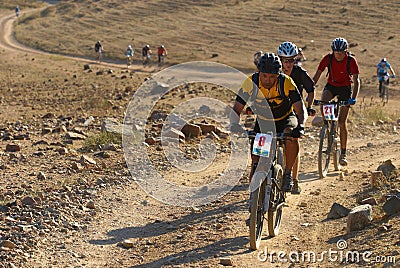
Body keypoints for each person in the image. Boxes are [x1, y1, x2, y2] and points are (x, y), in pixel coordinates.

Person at [231, 52, 307, 193]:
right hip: (264, 122)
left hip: (285, 119)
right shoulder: (251, 82)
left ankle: (288, 174)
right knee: (256, 162)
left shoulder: (286, 82)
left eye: (272, 76)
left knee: (291, 136)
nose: (267, 80)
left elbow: (300, 109)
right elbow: (236, 108)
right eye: (264, 75)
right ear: (258, 72)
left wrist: (300, 126)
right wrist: (234, 125)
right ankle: (255, 201)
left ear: (278, 75)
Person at [312, 37, 360, 166]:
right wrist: (310, 92)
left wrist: (353, 98)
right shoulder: (328, 59)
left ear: (346, 51)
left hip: (345, 88)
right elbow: (316, 76)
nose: (338, 55)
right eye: (336, 52)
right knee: (323, 102)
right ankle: (328, 127)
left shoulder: (351, 60)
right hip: (331, 86)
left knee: (341, 122)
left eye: (341, 52)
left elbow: (356, 81)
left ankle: (343, 153)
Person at [277, 41, 315, 194]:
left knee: (293, 141)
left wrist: (309, 106)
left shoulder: (299, 73)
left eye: (291, 60)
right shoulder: (274, 72)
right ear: (280, 60)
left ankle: (295, 179)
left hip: (294, 111)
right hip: (277, 111)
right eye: (285, 60)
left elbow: (311, 89)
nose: (288, 64)